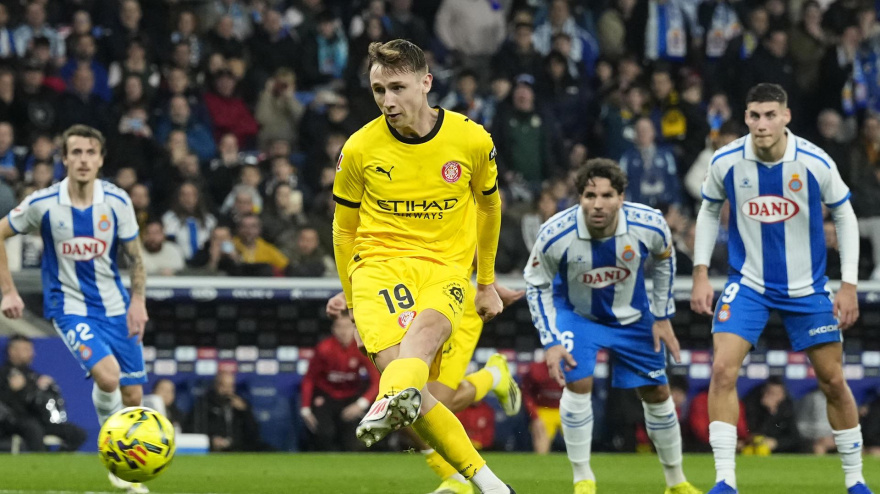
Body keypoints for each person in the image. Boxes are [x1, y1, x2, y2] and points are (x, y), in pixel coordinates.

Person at [331, 39, 513, 494]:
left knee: (423, 348)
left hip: (444, 268)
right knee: (415, 385)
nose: (388, 101)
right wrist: (353, 304)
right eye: (378, 90)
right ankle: (489, 484)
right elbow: (342, 231)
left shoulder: (471, 140)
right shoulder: (359, 149)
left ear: (426, 82)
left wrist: (486, 283)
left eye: (397, 87)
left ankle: (389, 399)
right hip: (377, 267)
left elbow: (491, 210)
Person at [691, 83, 872, 494]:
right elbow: (708, 210)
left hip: (806, 288)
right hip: (748, 284)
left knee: (833, 381)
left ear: (786, 116)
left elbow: (845, 216)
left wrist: (848, 285)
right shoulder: (727, 161)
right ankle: (724, 481)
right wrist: (701, 273)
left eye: (770, 115)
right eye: (754, 115)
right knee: (721, 370)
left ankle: (856, 480)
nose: (761, 124)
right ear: (746, 118)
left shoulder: (813, 160)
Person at [524, 158, 700, 494]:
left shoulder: (648, 223)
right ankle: (583, 480)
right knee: (578, 384)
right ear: (580, 198)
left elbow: (665, 259)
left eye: (607, 195)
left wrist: (662, 315)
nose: (598, 204)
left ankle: (676, 483)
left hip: (633, 318)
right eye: (590, 195)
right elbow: (536, 284)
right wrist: (550, 340)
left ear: (621, 197)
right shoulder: (555, 233)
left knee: (658, 392)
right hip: (578, 316)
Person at [0, 125, 149, 493]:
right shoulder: (43, 204)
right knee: (109, 377)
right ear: (64, 158)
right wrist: (9, 292)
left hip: (116, 308)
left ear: (101, 159)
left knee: (132, 396)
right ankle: (113, 454)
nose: (83, 160)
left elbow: (135, 256)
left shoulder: (117, 201)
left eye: (90, 153)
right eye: (76, 153)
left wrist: (138, 301)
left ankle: (125, 464)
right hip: (69, 308)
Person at [326, 266, 523, 493]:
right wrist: (350, 297)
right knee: (408, 402)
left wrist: (488, 285)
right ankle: (455, 478)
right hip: (405, 294)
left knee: (429, 403)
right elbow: (370, 249)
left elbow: (475, 238)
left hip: (450, 296)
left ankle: (493, 376)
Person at [299, 314, 380, 452]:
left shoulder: (362, 348)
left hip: (351, 396)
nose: (343, 331)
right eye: (339, 327)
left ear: (355, 329)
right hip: (327, 396)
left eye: (348, 327)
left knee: (355, 442)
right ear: (333, 329)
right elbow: (309, 379)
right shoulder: (324, 348)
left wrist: (360, 404)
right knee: (324, 435)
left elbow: (377, 381)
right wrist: (305, 409)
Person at [0, 335, 87, 452]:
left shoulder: (33, 375)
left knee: (77, 433)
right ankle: (39, 462)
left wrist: (45, 387)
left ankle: (57, 463)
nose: (31, 354)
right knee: (33, 428)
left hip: (40, 421)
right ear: (12, 351)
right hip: (14, 421)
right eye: (26, 350)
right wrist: (16, 389)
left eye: (31, 350)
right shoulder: (3, 374)